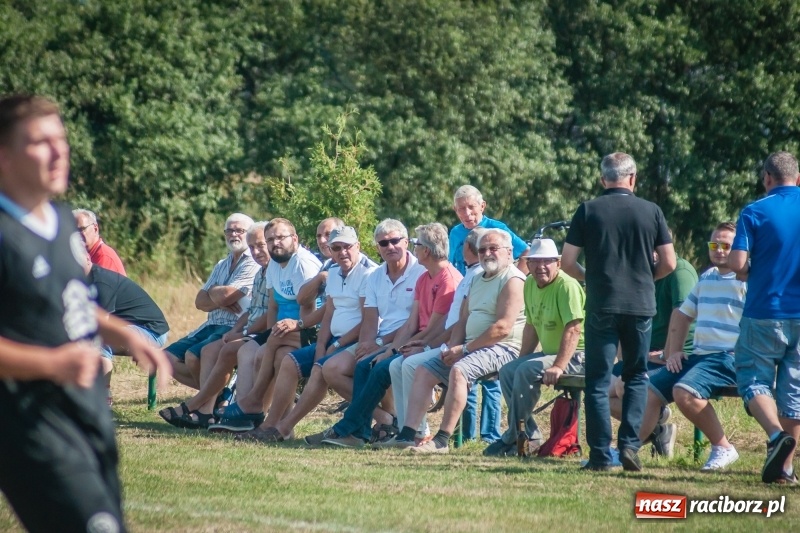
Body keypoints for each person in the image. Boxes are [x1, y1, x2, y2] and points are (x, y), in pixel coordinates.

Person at [0, 94, 170, 532]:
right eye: (41, 142)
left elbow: (70, 301)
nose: (59, 152)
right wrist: (53, 362)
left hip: (86, 412)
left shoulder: (58, 222)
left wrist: (126, 333)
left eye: (62, 139)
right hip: (31, 420)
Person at [561, 152, 676, 471]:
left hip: (602, 304)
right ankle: (629, 447)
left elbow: (567, 262)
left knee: (597, 381)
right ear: (633, 178)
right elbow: (669, 262)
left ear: (603, 180)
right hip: (640, 305)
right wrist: (643, 279)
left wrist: (593, 279)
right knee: (636, 376)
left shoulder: (588, 210)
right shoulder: (651, 211)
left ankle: (599, 454)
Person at [309, 222, 460, 447]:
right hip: (402, 340)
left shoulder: (432, 274)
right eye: (383, 243)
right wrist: (377, 345)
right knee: (363, 363)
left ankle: (353, 429)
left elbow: (435, 327)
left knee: (381, 367)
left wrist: (400, 347)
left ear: (414, 246)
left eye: (395, 241)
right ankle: (362, 431)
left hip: (429, 342)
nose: (389, 246)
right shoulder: (414, 276)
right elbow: (405, 322)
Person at [388, 229, 526, 453]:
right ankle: (407, 435)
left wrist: (464, 349)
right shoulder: (478, 279)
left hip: (503, 348)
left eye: (493, 249)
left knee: (460, 370)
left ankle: (441, 441)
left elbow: (502, 328)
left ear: (509, 252)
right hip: (472, 347)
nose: (487, 254)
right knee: (424, 370)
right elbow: (462, 320)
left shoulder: (513, 279)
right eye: (482, 250)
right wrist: (452, 347)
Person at [235, 225, 377, 442]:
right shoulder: (335, 271)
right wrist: (321, 347)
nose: (342, 252)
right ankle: (270, 424)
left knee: (321, 369)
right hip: (333, 339)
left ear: (357, 246)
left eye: (347, 247)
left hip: (356, 341)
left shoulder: (368, 273)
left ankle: (281, 427)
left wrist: (334, 347)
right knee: (290, 362)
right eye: (336, 248)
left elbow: (368, 321)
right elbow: (329, 313)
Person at [641, 222, 745, 471]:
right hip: (700, 356)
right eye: (714, 244)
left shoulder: (747, 280)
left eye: (726, 246)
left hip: (728, 357)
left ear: (739, 248)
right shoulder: (707, 277)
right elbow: (682, 315)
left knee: (684, 392)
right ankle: (627, 449)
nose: (719, 250)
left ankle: (723, 447)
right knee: (647, 391)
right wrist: (673, 352)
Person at [210, 217, 321, 432]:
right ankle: (264, 419)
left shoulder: (302, 265)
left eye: (280, 237)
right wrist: (270, 334)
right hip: (284, 331)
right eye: (270, 239)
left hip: (310, 328)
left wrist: (276, 335)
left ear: (295, 239)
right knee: (264, 353)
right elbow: (273, 307)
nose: (275, 243)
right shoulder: (275, 265)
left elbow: (311, 309)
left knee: (273, 350)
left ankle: (254, 404)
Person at [729, 151, 800, 484]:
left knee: (753, 379)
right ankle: (785, 471)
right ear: (797, 179)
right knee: (794, 392)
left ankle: (775, 437)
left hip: (764, 312)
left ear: (767, 178)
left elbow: (737, 263)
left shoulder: (754, 211)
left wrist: (750, 272)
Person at [160, 222, 271, 428]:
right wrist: (218, 298)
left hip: (248, 329)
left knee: (199, 355)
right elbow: (200, 301)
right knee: (166, 359)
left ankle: (202, 408)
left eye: (239, 230)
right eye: (229, 230)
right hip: (222, 325)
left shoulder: (256, 265)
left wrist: (219, 297)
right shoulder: (225, 264)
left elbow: (232, 297)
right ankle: (218, 400)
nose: (234, 234)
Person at [484, 238, 586, 456]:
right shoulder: (529, 283)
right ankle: (528, 435)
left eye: (547, 261)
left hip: (578, 355)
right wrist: (520, 360)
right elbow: (531, 326)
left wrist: (558, 366)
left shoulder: (567, 286)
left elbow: (574, 329)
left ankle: (513, 437)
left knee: (526, 370)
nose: (541, 266)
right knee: (509, 370)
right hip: (551, 354)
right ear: (528, 264)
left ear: (558, 263)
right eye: (535, 261)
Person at [448, 185, 530, 443]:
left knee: (490, 383)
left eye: (471, 207)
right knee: (466, 375)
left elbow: (525, 251)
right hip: (471, 295)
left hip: (496, 305)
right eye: (461, 208)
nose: (467, 213)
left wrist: (515, 282)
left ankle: (490, 434)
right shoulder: (455, 233)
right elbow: (454, 265)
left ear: (482, 207)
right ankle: (467, 433)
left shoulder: (497, 228)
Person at [609, 241, 698, 457]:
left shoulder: (681, 272)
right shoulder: (639, 271)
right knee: (599, 392)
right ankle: (658, 427)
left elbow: (682, 316)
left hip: (679, 354)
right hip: (647, 354)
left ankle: (627, 449)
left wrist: (666, 354)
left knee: (626, 387)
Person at [85, 256, 170, 406]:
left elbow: (102, 324)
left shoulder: (101, 281)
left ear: (87, 258)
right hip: (130, 328)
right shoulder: (80, 279)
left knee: (101, 340)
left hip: (152, 331)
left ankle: (103, 398)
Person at [73, 208, 127, 276]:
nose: (78, 235)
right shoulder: (86, 255)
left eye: (82, 229)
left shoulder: (104, 256)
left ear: (95, 229)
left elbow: (99, 285)